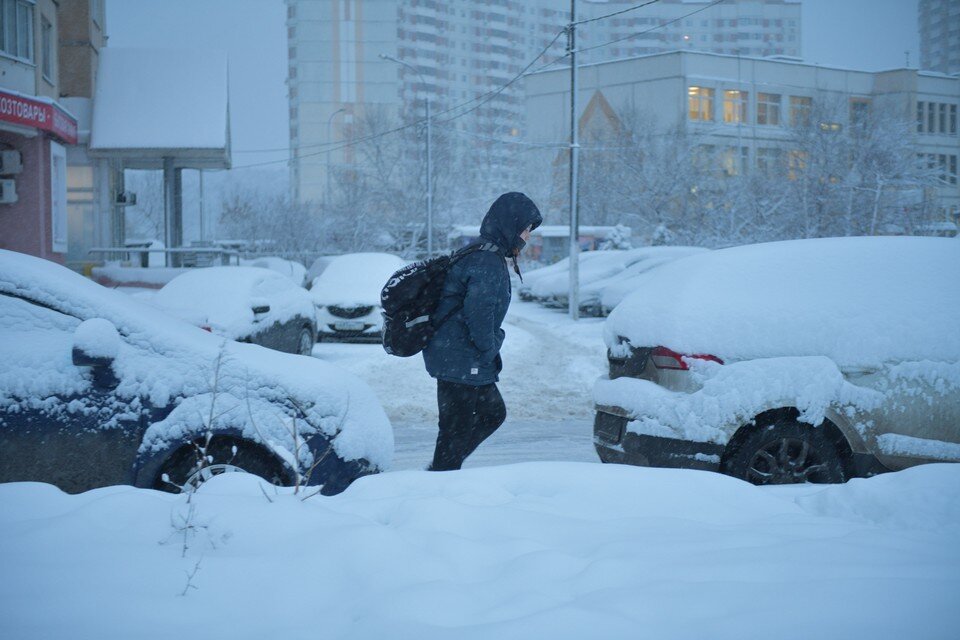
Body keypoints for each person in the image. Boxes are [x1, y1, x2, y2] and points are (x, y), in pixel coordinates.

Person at [422, 192, 543, 471]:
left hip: (458, 354)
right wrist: (491, 345)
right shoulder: (486, 260)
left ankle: (441, 471)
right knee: (457, 428)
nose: (527, 236)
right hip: (460, 356)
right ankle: (438, 480)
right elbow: (479, 315)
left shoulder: (483, 252)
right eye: (526, 228)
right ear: (510, 225)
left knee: (489, 414)